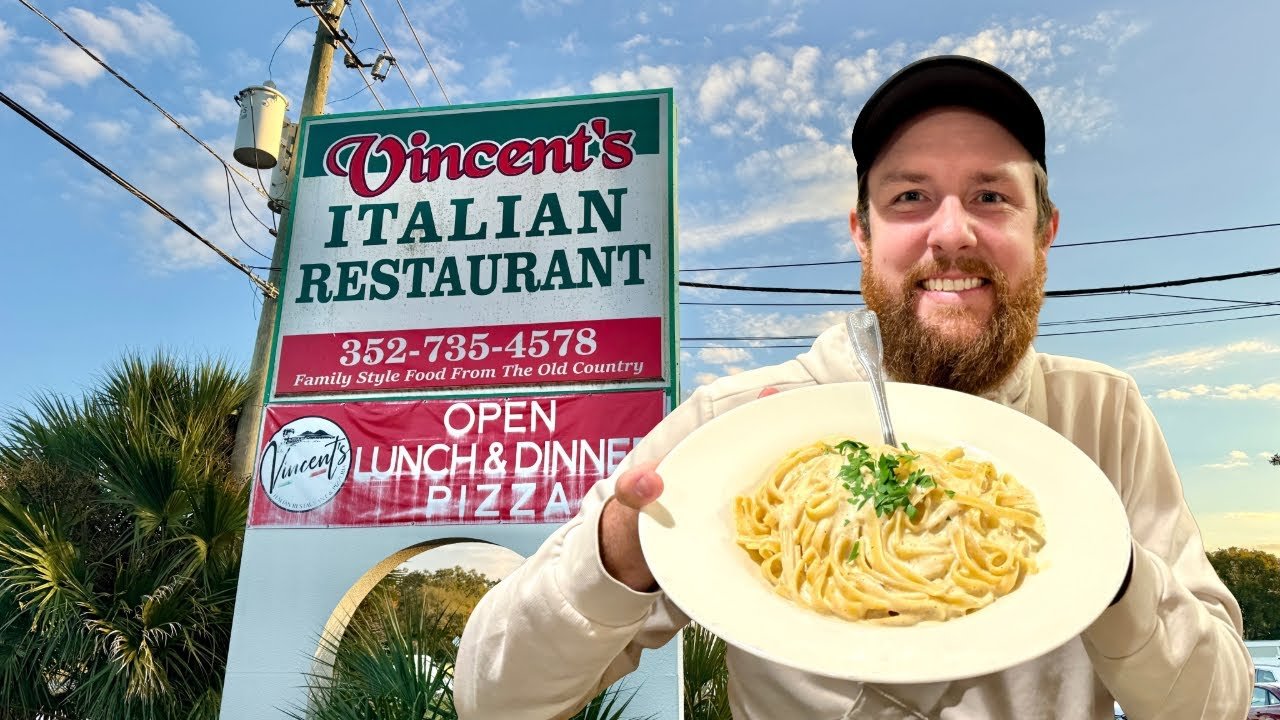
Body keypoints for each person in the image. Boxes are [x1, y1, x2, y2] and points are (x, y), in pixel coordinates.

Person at [454, 55, 1253, 719]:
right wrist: (619, 553)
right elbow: (493, 699)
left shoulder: (1102, 414)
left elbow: (1214, 704)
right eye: (909, 198)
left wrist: (1110, 568)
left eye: (991, 196)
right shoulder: (734, 426)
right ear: (862, 235)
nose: (950, 233)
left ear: (1043, 231)